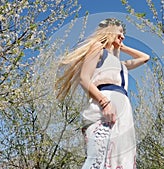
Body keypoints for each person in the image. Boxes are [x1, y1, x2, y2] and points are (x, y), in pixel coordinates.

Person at [55, 18, 150, 169]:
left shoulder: (121, 64)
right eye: (120, 33)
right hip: (104, 106)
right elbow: (84, 79)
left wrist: (122, 47)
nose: (123, 36)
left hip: (123, 112)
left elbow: (145, 58)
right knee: (98, 159)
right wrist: (104, 102)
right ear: (110, 32)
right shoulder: (97, 49)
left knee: (121, 159)